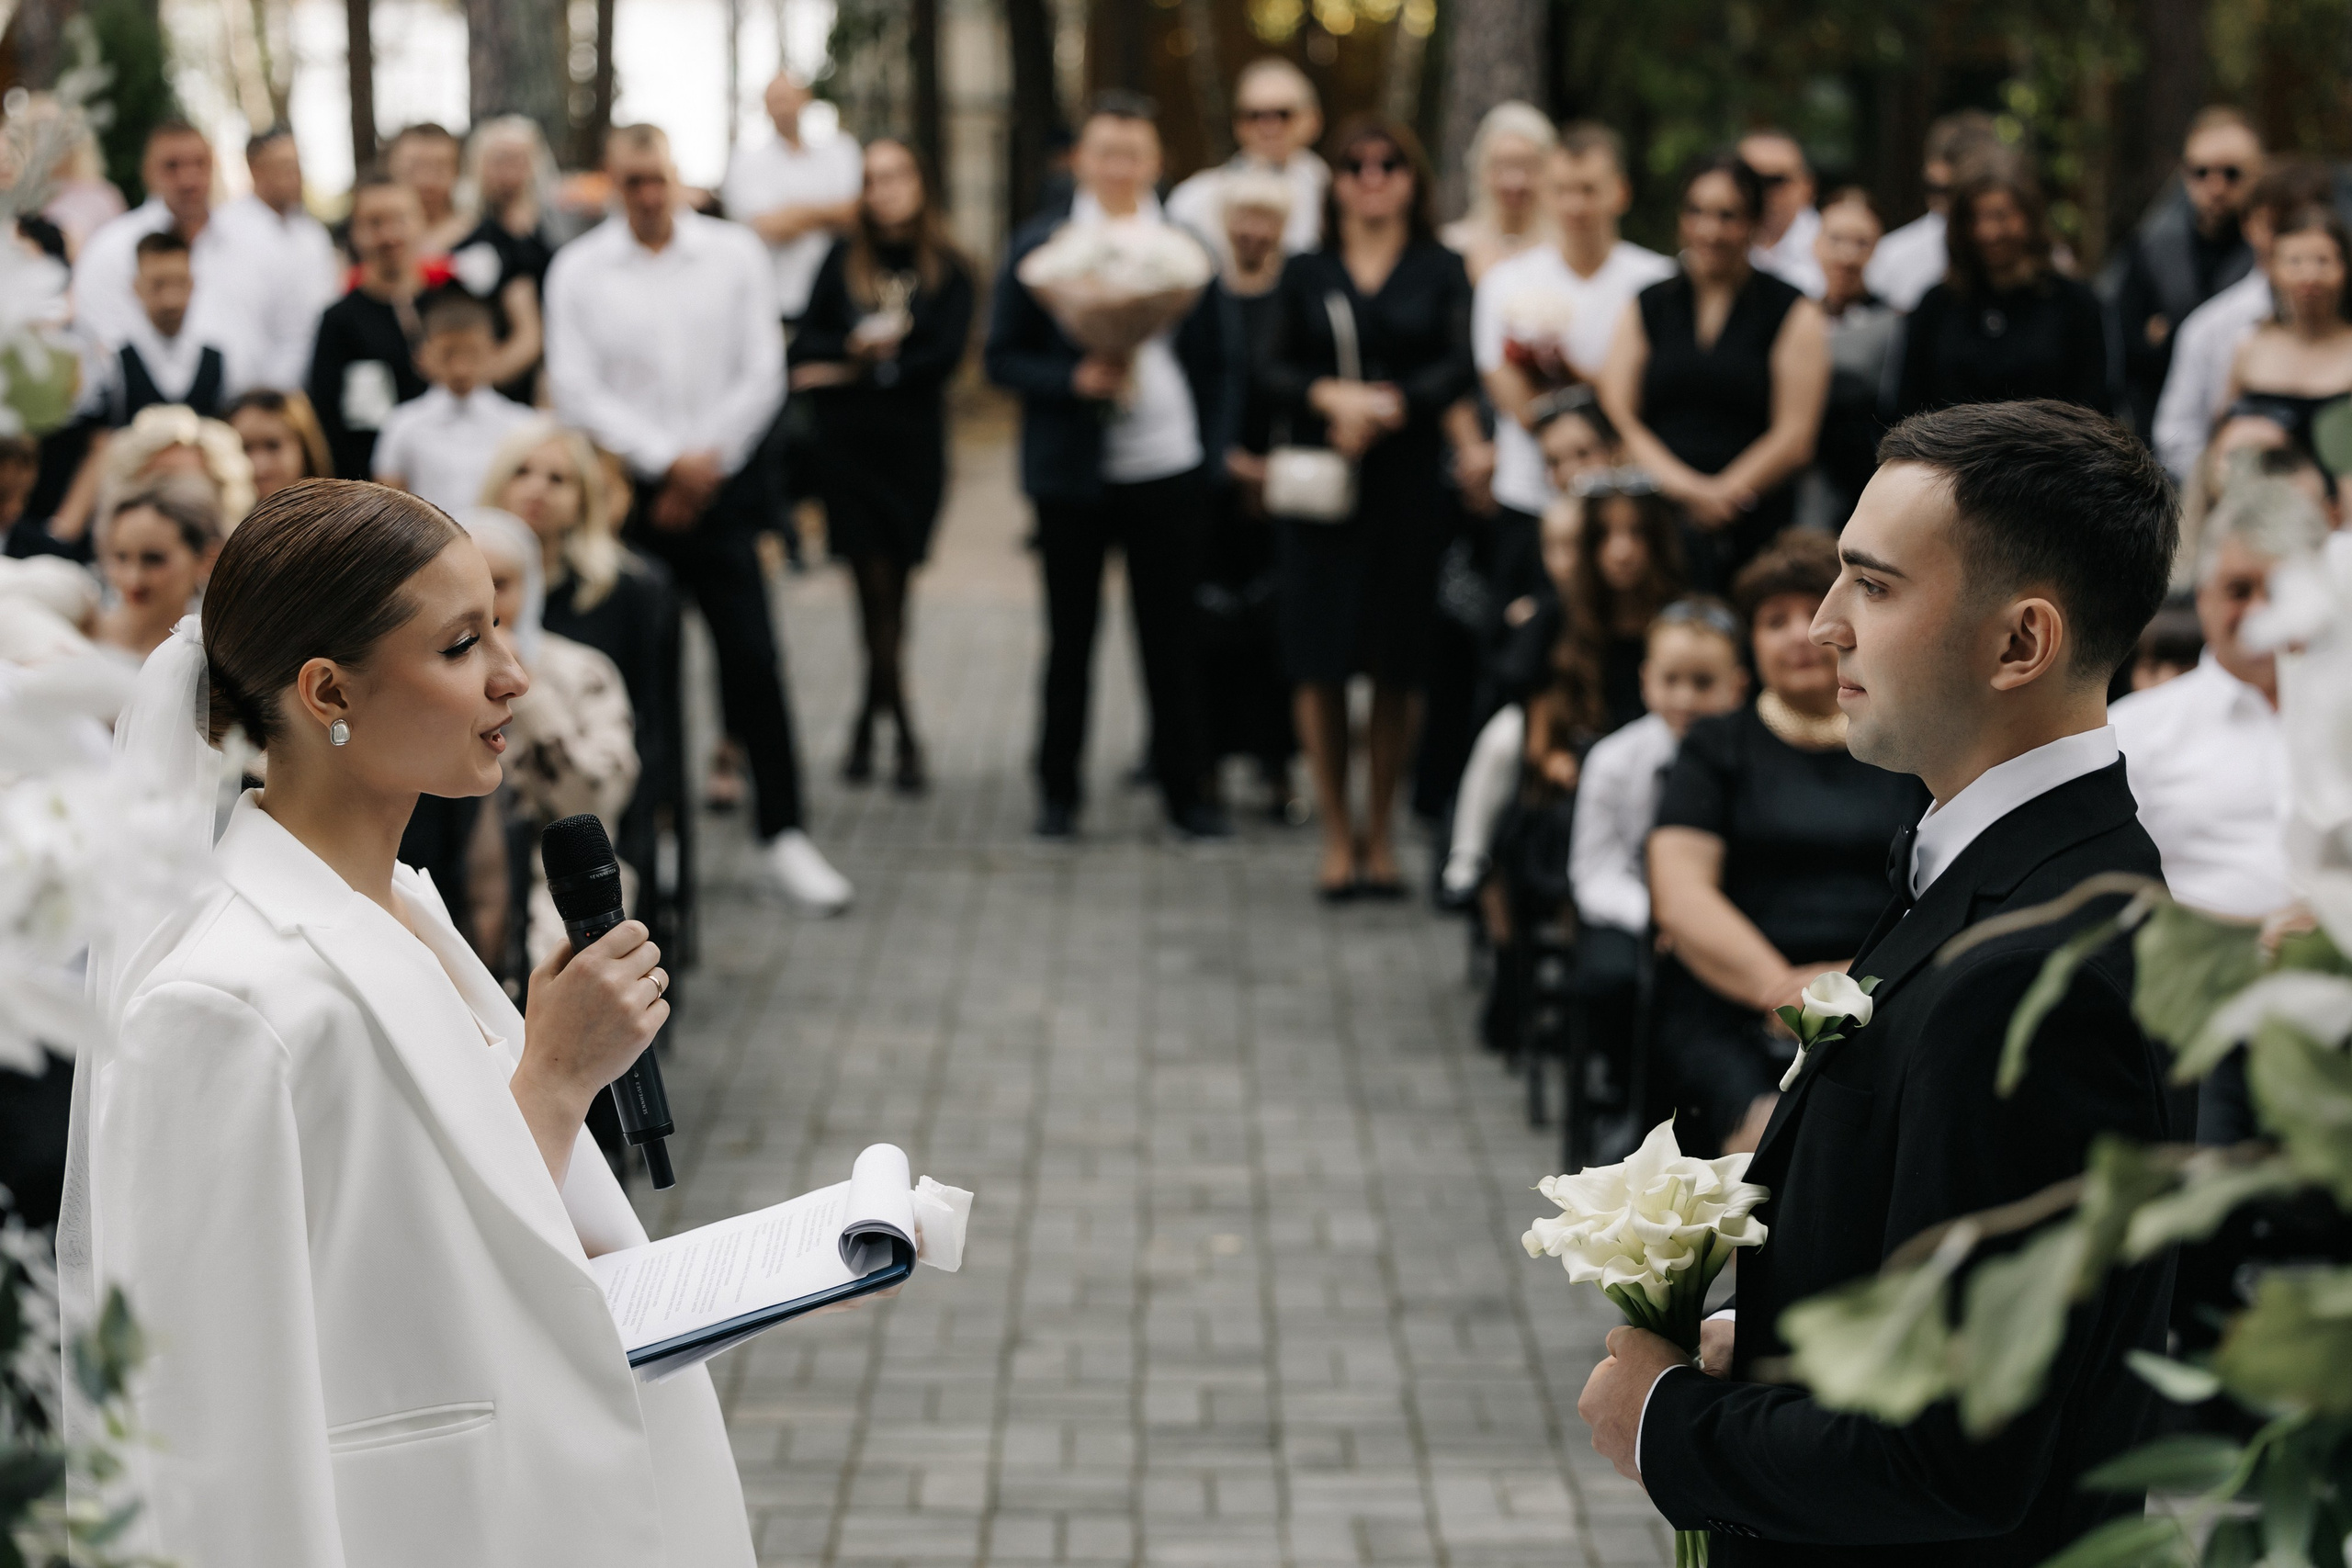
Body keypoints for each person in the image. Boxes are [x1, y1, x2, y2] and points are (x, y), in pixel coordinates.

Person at [68, 479, 754, 1566]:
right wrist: (556, 1077)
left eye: (501, 626)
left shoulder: (410, 905)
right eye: (459, 645)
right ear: (328, 689)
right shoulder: (216, 1003)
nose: (513, 677)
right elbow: (210, 1433)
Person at [1589, 400, 2181, 1564]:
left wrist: (1670, 1429)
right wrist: (1759, 1351)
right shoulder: (2013, 868)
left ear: (2020, 644)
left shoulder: (2029, 973)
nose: (1820, 627)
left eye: (1873, 585)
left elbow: (1953, 1458)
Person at [546, 123, 853, 913]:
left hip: (724, 489)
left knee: (753, 659)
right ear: (612, 183)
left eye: (659, 178)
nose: (648, 195)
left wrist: (703, 461)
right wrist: (663, 460)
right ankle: (659, 839)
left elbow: (763, 369)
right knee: (646, 674)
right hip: (630, 499)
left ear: (680, 177)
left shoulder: (734, 254)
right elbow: (578, 389)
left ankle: (783, 832)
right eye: (632, 181)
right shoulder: (578, 270)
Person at [984, 92, 1232, 843]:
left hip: (1168, 464)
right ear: (1082, 160)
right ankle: (1058, 791)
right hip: (1073, 476)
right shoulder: (1044, 244)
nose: (1119, 166)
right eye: (1105, 152)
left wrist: (1211, 458)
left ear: (1154, 161)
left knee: (1172, 636)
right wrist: (1074, 380)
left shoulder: (1184, 245)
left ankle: (1187, 790)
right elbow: (1001, 357)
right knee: (1072, 637)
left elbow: (1222, 360)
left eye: (1134, 153)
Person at [1645, 529, 1926, 1152]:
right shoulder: (1716, 744)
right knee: (1766, 1142)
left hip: (1881, 994)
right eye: (1775, 620)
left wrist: (1847, 987)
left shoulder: (1905, 742)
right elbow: (1681, 892)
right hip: (1732, 1000)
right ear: (1752, 642)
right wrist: (1783, 991)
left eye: (1815, 611)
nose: (1799, 633)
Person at [1258, 115, 1475, 895]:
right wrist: (1329, 396)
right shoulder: (1307, 269)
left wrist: (1389, 405)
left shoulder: (1440, 265)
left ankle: (1381, 833)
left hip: (1409, 483)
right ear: (1336, 180)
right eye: (1355, 164)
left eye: (1389, 163)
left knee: (1397, 660)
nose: (1372, 176)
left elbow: (1459, 363)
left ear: (1412, 179)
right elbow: (1270, 364)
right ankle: (1336, 833)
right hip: (1323, 488)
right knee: (1317, 659)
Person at [790, 137, 974, 792]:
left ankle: (870, 725)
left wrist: (863, 369)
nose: (885, 189)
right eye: (873, 179)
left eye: (897, 176)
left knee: (895, 595)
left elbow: (943, 359)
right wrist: (852, 349)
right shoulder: (841, 261)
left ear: (921, 183)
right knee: (872, 593)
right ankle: (906, 737)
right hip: (848, 454)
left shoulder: (950, 267)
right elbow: (804, 343)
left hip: (914, 456)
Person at [481, 419, 693, 979]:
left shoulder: (628, 595)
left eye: (559, 478)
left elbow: (647, 732)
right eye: (522, 472)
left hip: (577, 809)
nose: (537, 489)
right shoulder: (456, 583)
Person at [1442, 470, 1685, 901]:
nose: (1622, 551)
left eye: (1636, 534)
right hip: (1575, 757)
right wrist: (1550, 756)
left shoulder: (1680, 620)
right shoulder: (1559, 616)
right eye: (1606, 535)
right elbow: (1539, 704)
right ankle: (1471, 862)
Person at [1598, 154, 1827, 592]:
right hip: (1657, 517)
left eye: (1728, 215)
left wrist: (1725, 493)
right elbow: (1617, 410)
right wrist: (1686, 489)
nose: (1710, 230)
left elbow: (1795, 435)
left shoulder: (1793, 309)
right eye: (1697, 211)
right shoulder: (1648, 303)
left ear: (1755, 222)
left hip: (1756, 515)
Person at [2112, 476, 2323, 918]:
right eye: (2239, 590)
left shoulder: (2337, 716)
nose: (2260, 611)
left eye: (2281, 590)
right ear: (2204, 597)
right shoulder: (2134, 730)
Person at [1474, 123, 1673, 558]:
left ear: (1620, 192)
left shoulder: (1657, 282)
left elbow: (1657, 391)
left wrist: (1568, 372)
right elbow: (1507, 391)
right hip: (1529, 491)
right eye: (1562, 190)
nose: (1575, 205)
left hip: (1628, 502)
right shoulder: (1504, 283)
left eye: (1588, 189)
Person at [459, 505, 640, 968]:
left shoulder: (584, 673)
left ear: (533, 585)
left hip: (556, 877)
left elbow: (595, 805)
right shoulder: (430, 683)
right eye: (467, 591)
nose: (489, 609)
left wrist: (531, 696)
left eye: (500, 585)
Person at [1567, 596, 1748, 948]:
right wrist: (1659, 916)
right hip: (1637, 913)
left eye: (1703, 682)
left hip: (1732, 917)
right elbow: (1595, 873)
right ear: (1646, 680)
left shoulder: (1750, 758)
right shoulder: (1612, 760)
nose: (1685, 699)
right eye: (1670, 680)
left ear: (1737, 687)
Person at [1894, 146, 2110, 418]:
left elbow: (2095, 411)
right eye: (1974, 217)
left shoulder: (2075, 305)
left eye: (2001, 216)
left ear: (2030, 216)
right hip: (1948, 457)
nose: (1988, 232)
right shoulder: (1935, 306)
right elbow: (1905, 410)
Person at [2153, 160, 2334, 480]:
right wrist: (2226, 488)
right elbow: (2177, 435)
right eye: (2283, 225)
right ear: (2251, 225)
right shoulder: (2215, 330)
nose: (2298, 241)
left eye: (2309, 224)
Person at [2113, 107, 2263, 438]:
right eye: (2201, 172)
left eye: (2232, 173)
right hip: (2161, 440)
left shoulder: (2274, 255)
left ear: (2258, 174)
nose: (2215, 185)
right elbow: (2130, 356)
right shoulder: (2153, 249)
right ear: (2184, 174)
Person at [70, 121, 253, 367]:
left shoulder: (246, 243)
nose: (189, 179)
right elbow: (100, 338)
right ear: (147, 172)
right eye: (172, 166)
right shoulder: (110, 250)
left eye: (200, 164)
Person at [307, 173, 435, 479]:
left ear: (422, 222)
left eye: (401, 219)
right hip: (373, 494)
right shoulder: (339, 321)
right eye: (375, 223)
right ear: (354, 233)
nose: (389, 235)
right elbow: (326, 422)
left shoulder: (452, 305)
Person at [373, 293, 537, 515]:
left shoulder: (524, 425)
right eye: (448, 355)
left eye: (472, 354)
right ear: (424, 356)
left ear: (492, 351)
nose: (461, 368)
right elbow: (388, 502)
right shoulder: (402, 424)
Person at [722, 73, 865, 328]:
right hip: (776, 301)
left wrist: (792, 212)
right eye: (775, 100)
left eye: (787, 98)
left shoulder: (840, 151)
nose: (782, 108)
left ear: (805, 99)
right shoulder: (746, 161)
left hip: (839, 300)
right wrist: (828, 215)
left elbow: (853, 215)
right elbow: (770, 228)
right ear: (765, 107)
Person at [209, 125, 342, 391]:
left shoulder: (313, 235)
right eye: (283, 165)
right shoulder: (227, 232)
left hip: (317, 380)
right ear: (254, 168)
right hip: (256, 387)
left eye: (297, 164)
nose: (295, 175)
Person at [1799, 188, 1902, 531]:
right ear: (1815, 244)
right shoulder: (1790, 316)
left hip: (1854, 482)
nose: (1847, 255)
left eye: (1861, 243)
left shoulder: (1894, 325)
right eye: (1836, 239)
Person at [2216, 203, 2352, 457]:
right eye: (2295, 262)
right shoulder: (2250, 346)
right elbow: (2220, 435)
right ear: (2273, 270)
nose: (2309, 276)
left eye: (2323, 261)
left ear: (2344, 269)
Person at [1165, 57, 1329, 260]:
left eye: (1283, 114)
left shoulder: (1335, 190)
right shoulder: (1194, 198)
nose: (1269, 126)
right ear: (1238, 125)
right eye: (1254, 115)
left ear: (1313, 120)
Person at [449, 116, 558, 400]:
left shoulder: (552, 232)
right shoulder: (464, 234)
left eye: (519, 160)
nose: (509, 174)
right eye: (499, 161)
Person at [86, 231, 233, 423]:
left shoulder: (217, 359)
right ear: (136, 287)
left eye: (179, 283)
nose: (170, 300)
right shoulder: (113, 362)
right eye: (158, 285)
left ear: (192, 284)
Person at [1865, 110, 1998, 310]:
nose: (1941, 202)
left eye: (1953, 192)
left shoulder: (2022, 257)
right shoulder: (1893, 256)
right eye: (1933, 188)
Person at [89, 473, 220, 660]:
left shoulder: (214, 659)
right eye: (121, 557)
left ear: (207, 560)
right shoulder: (79, 640)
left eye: (153, 559)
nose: (133, 578)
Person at [1439, 101, 1556, 285]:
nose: (1514, 182)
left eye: (1526, 165)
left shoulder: (1566, 250)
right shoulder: (1453, 246)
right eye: (1502, 166)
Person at [1737, 130, 1825, 299]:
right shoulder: (1715, 246)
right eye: (1748, 180)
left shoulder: (1832, 248)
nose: (1761, 192)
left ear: (1807, 186)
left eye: (1775, 180)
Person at [223, 387, 334, 500]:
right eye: (245, 448)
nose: (259, 465)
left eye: (273, 446)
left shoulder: (339, 515)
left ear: (304, 448)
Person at [387, 120, 474, 254]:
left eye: (439, 170)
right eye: (414, 169)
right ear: (392, 169)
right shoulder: (370, 241)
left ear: (457, 171)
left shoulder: (477, 236)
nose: (427, 181)